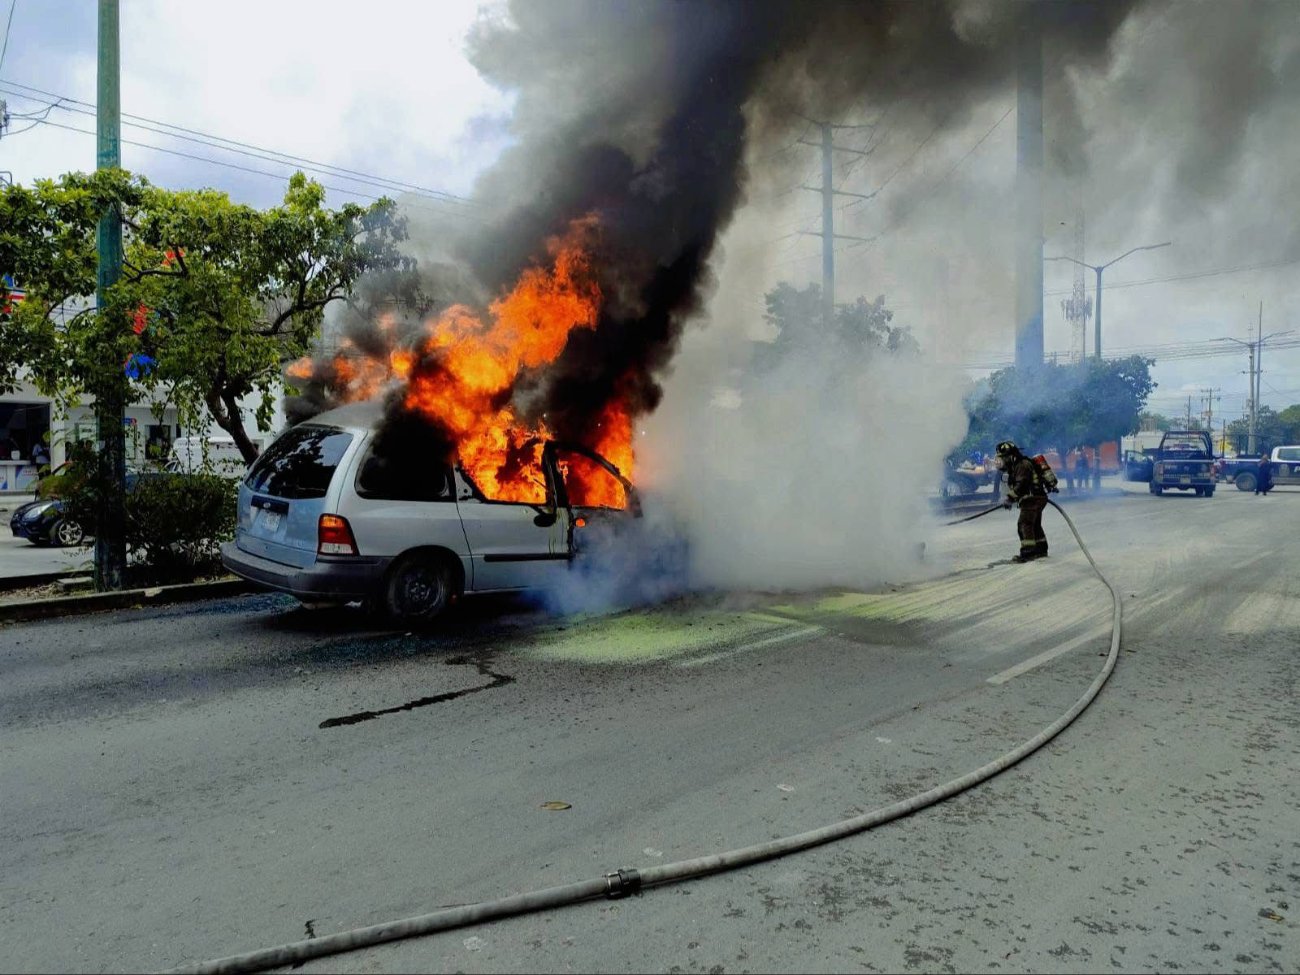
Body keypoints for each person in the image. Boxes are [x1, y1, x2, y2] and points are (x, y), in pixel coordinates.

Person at [995, 440, 1049, 562]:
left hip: (1032, 499)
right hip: (1037, 498)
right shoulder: (1017, 466)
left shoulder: (1022, 465)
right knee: (1034, 525)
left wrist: (1009, 498)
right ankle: (1041, 550)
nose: (1002, 461)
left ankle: (1028, 553)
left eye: (1004, 457)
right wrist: (1010, 498)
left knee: (1024, 524)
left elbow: (1021, 485)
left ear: (1011, 456)